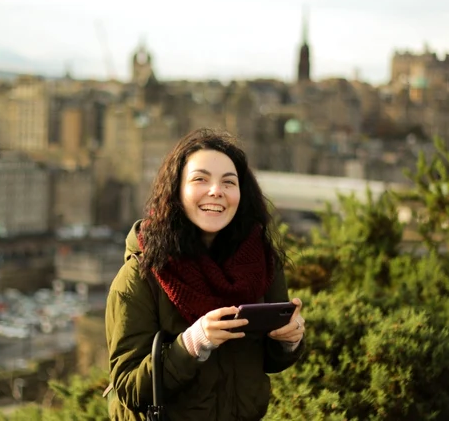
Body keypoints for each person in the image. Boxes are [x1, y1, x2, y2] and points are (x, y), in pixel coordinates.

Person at [105, 128, 306, 420]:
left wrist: (289, 340)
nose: (216, 191)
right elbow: (128, 388)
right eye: (200, 179)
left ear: (241, 193)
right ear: (176, 190)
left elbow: (266, 361)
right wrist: (192, 343)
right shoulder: (140, 276)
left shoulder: (261, 263)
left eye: (229, 182)